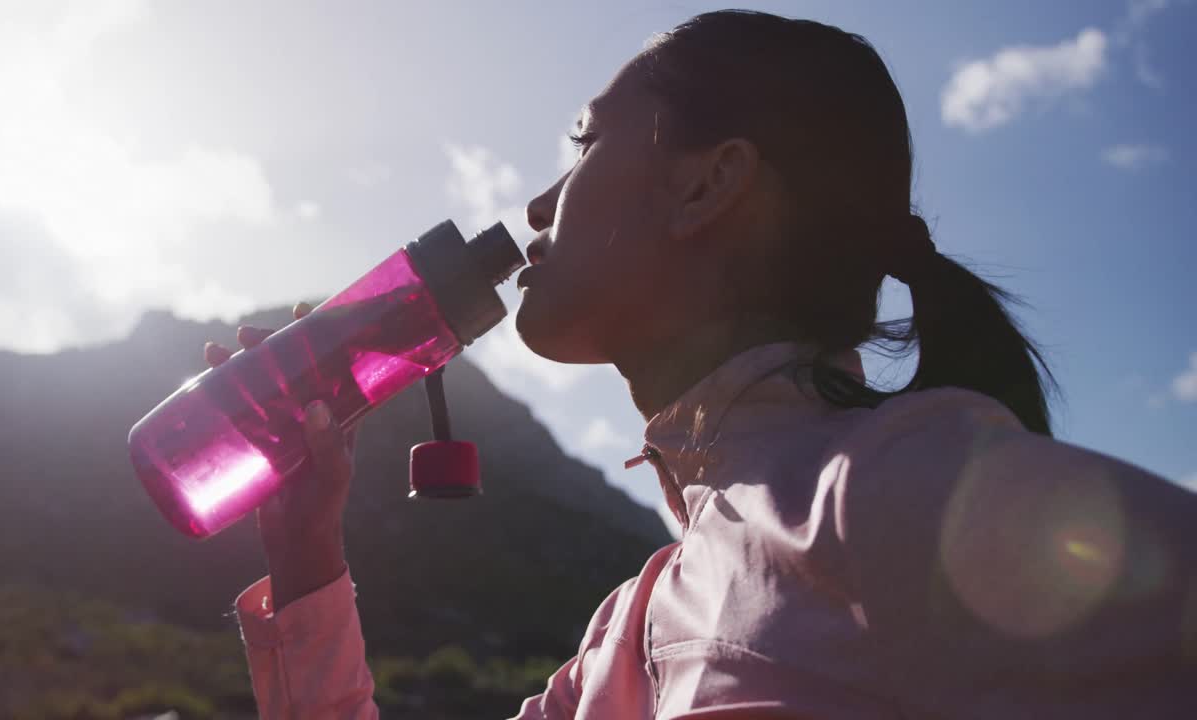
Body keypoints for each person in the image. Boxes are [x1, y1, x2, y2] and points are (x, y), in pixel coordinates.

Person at [203, 10, 1197, 718]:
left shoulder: (882, 496)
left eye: (585, 142)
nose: (540, 205)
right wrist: (305, 555)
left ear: (706, 186)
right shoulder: (625, 633)